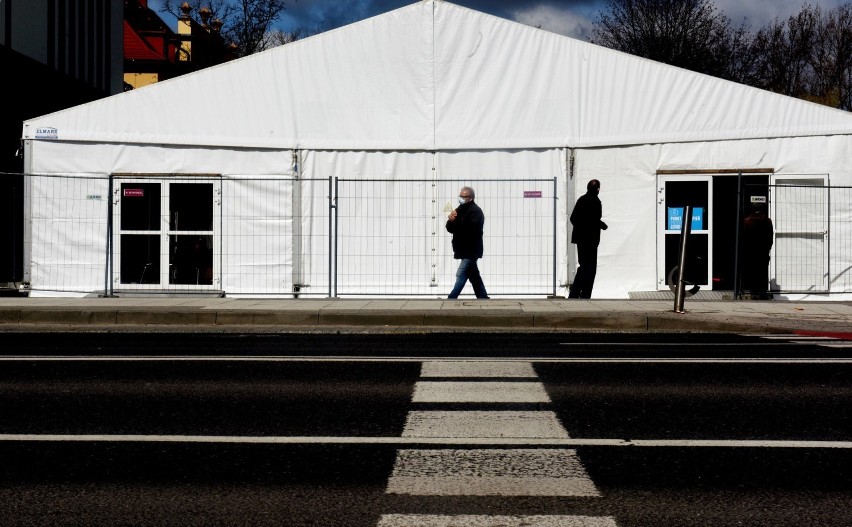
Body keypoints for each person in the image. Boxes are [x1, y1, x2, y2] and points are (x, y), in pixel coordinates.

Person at [446, 186, 489, 299]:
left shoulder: (476, 211)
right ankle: (483, 297)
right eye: (460, 196)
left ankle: (452, 297)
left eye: (463, 196)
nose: (461, 198)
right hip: (462, 249)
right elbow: (450, 228)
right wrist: (451, 221)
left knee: (461, 274)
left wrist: (456, 220)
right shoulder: (459, 209)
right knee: (474, 275)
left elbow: (469, 228)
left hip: (471, 250)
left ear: (471, 198)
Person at [569, 179, 608, 298]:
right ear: (598, 189)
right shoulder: (596, 202)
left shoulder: (582, 200)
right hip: (591, 240)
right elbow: (594, 221)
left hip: (581, 240)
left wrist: (581, 229)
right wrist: (602, 225)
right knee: (591, 269)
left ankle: (574, 293)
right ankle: (585, 294)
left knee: (583, 266)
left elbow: (573, 218)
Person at [741, 203, 774, 299]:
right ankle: (762, 291)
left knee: (752, 271)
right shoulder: (768, 221)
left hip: (751, 251)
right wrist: (767, 248)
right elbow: (770, 237)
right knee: (762, 271)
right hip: (763, 251)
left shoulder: (747, 221)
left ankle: (752, 291)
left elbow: (744, 236)